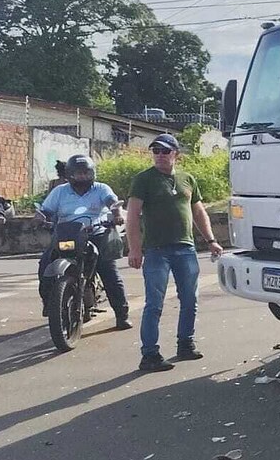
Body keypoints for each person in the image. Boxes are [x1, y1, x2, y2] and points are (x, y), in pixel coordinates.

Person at [128, 134, 223, 373]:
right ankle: (149, 354)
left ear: (175, 154)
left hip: (185, 248)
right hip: (157, 251)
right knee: (154, 304)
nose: (160, 155)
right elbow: (132, 216)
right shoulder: (143, 180)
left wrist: (211, 240)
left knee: (190, 300)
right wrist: (135, 249)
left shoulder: (187, 179)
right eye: (156, 151)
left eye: (165, 151)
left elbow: (199, 213)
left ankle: (185, 344)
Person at [36, 155, 132, 329]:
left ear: (92, 173)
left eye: (85, 173)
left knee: (108, 272)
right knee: (45, 264)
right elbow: (45, 210)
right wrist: (41, 218)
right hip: (67, 235)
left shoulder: (101, 189)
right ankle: (50, 303)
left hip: (95, 233)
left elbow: (112, 202)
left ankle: (121, 314)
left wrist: (116, 214)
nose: (82, 177)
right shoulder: (60, 191)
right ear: (69, 175)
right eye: (78, 174)